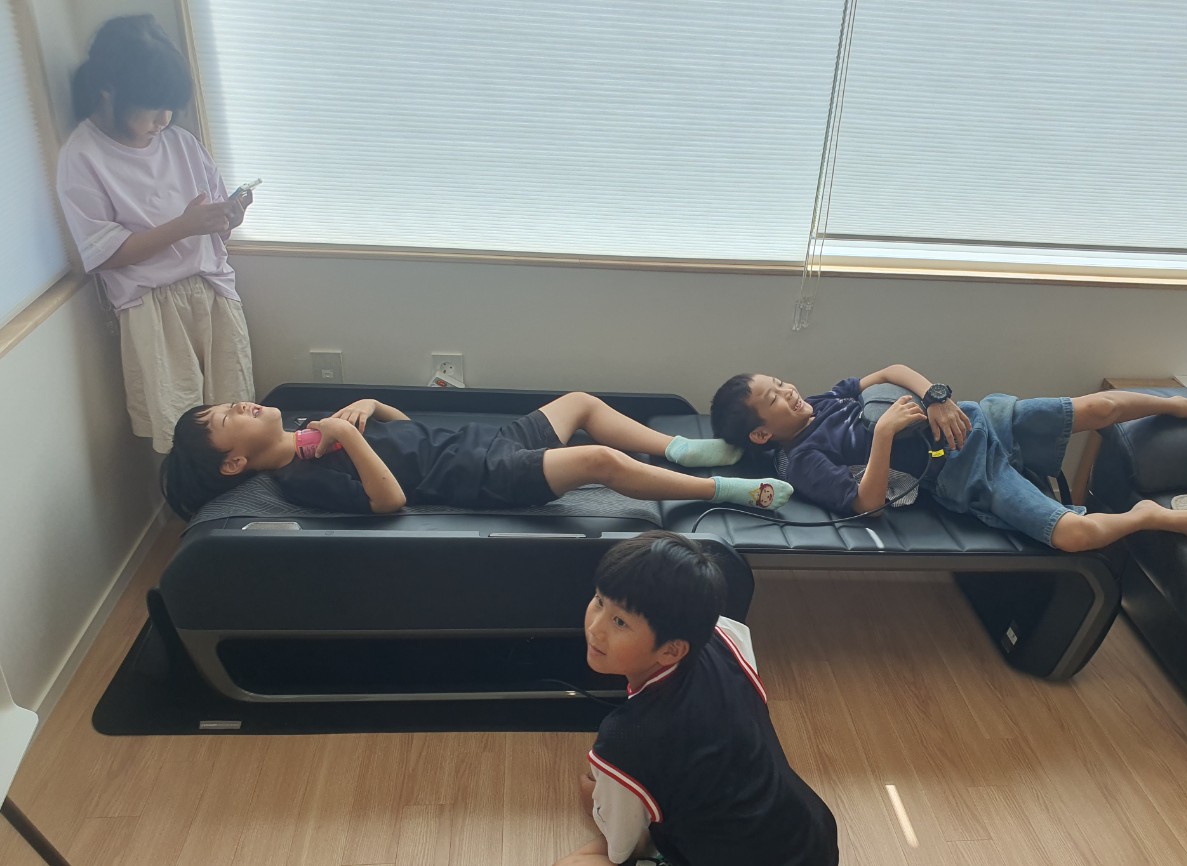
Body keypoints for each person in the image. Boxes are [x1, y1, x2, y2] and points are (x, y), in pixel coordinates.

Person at [543, 532, 838, 866]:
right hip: (813, 848)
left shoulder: (627, 738)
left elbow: (623, 849)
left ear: (671, 650)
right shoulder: (725, 636)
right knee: (606, 787)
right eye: (599, 600)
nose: (595, 627)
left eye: (620, 622)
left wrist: (605, 805)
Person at [710, 365, 1187, 552]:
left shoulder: (826, 399)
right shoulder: (802, 460)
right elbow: (866, 503)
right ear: (761, 434)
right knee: (1074, 536)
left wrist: (935, 396)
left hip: (975, 418)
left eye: (780, 382)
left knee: (1102, 407)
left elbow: (892, 371)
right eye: (774, 399)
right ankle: (1145, 516)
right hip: (963, 471)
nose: (788, 392)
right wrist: (885, 435)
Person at [56, 15, 255, 454]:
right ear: (109, 91)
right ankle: (190, 499)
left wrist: (228, 217)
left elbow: (214, 229)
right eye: (152, 106)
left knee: (240, 421)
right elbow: (103, 255)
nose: (164, 119)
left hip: (213, 292)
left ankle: (243, 494)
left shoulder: (181, 143)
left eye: (171, 106)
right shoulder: (83, 156)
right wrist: (184, 226)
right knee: (181, 432)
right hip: (152, 306)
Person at [160, 391, 791, 520]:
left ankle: (684, 449)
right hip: (483, 475)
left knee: (579, 403)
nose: (237, 406)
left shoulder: (309, 428)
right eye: (223, 420)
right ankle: (724, 490)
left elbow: (408, 435)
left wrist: (373, 408)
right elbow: (390, 500)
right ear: (233, 464)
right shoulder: (299, 479)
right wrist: (348, 438)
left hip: (483, 440)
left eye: (227, 404)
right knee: (597, 460)